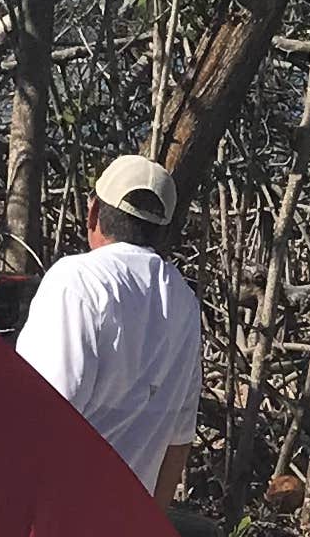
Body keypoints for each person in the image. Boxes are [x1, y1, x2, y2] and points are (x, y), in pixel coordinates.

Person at [16, 151, 203, 504]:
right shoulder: (183, 301)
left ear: (93, 213)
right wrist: (148, 535)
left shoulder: (77, 280)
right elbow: (179, 440)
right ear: (162, 230)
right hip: (127, 533)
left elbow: (42, 416)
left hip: (61, 524)